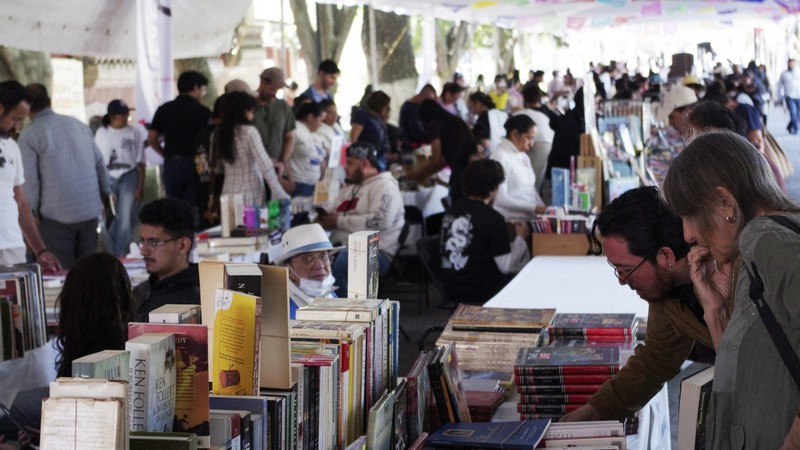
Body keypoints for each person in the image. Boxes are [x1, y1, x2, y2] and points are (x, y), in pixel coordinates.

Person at [661, 131, 800, 449]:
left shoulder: (762, 237)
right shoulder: (752, 252)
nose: (687, 233)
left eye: (691, 215)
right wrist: (717, 312)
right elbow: (746, 380)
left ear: (726, 203)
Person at [561, 186, 715, 422]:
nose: (623, 281)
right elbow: (657, 359)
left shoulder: (728, 275)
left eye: (626, 270)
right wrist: (596, 410)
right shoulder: (665, 289)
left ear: (666, 256)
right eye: (617, 271)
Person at [18, 84, 111, 269]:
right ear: (49, 101)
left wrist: (32, 213)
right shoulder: (78, 124)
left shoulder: (29, 135)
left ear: (27, 108)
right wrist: (106, 195)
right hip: (90, 211)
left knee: (61, 278)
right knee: (89, 274)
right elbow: (100, 164)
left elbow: (30, 182)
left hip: (56, 218)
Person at [318, 142, 405, 297]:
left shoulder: (386, 186)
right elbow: (331, 211)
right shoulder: (350, 189)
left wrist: (339, 221)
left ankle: (351, 317)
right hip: (340, 247)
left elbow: (381, 221)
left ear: (365, 163)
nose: (345, 167)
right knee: (306, 260)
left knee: (338, 265)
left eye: (350, 163)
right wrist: (322, 219)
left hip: (377, 252)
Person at [440, 159, 530, 304]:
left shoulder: (451, 211)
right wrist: (521, 237)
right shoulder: (493, 218)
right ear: (493, 188)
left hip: (451, 288)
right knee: (525, 277)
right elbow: (505, 267)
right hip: (480, 291)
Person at [0, 80, 60, 271]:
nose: (17, 126)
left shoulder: (12, 147)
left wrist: (40, 250)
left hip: (12, 245)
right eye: (15, 119)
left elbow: (22, 203)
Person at [212, 91, 290, 206]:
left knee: (231, 223)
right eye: (251, 110)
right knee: (252, 224)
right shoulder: (249, 132)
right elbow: (265, 165)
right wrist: (278, 191)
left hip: (228, 193)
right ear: (243, 111)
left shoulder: (217, 133)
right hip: (250, 193)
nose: (252, 114)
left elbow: (218, 166)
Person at [147, 70, 211, 211]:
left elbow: (151, 138)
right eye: (202, 89)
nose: (202, 93)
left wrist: (165, 154)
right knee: (194, 208)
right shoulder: (203, 112)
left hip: (171, 164)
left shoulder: (163, 109)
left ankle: (178, 233)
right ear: (195, 87)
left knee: (175, 209)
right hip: (195, 165)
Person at [133, 198, 201, 322]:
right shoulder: (141, 291)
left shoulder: (195, 303)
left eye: (154, 242)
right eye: (142, 241)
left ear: (183, 246)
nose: (144, 251)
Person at [95, 99, 146, 257]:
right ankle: (114, 253)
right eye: (122, 115)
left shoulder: (134, 132)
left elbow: (141, 162)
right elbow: (97, 161)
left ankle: (121, 255)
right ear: (112, 117)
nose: (125, 117)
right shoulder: (101, 133)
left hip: (129, 175)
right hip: (107, 176)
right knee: (108, 220)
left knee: (125, 217)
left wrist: (140, 187)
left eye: (126, 114)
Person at [408, 99, 474, 202]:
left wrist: (417, 175)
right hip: (473, 172)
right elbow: (444, 160)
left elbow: (436, 160)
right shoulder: (456, 121)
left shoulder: (434, 125)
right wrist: (424, 174)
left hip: (460, 176)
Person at [274, 223, 342, 318]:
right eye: (308, 259)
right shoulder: (283, 313)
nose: (320, 266)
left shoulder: (328, 291)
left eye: (323, 257)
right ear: (288, 270)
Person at [490, 115, 546, 221]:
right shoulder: (500, 156)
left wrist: (547, 211)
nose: (531, 144)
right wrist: (535, 208)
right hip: (510, 221)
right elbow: (499, 199)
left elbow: (531, 190)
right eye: (529, 138)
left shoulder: (523, 156)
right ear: (515, 134)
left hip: (529, 218)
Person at [252, 67, 296, 173]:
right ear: (262, 82)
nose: (275, 92)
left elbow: (290, 137)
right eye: (272, 88)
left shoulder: (283, 107)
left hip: (275, 168)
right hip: (252, 168)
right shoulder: (248, 105)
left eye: (278, 89)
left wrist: (282, 161)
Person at [516, 83, 554, 194]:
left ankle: (532, 202)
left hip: (541, 144)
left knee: (533, 179)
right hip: (547, 143)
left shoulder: (522, 113)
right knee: (535, 177)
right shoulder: (546, 111)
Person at [288, 102, 327, 197]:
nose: (321, 125)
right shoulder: (295, 130)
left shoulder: (312, 133)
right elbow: (283, 157)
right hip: (297, 183)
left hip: (311, 183)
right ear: (310, 117)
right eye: (321, 120)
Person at [350, 90, 391, 167]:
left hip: (380, 156)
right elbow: (354, 138)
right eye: (386, 105)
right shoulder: (362, 115)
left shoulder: (378, 118)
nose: (388, 108)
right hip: (367, 158)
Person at [467, 92, 508, 156]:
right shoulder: (501, 113)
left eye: (470, 105)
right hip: (505, 152)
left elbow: (485, 142)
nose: (470, 108)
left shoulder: (483, 117)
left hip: (491, 155)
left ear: (477, 103)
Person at [399, 84, 436, 152]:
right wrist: (434, 140)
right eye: (428, 101)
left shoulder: (413, 107)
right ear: (423, 96)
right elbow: (417, 132)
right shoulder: (410, 109)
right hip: (411, 149)